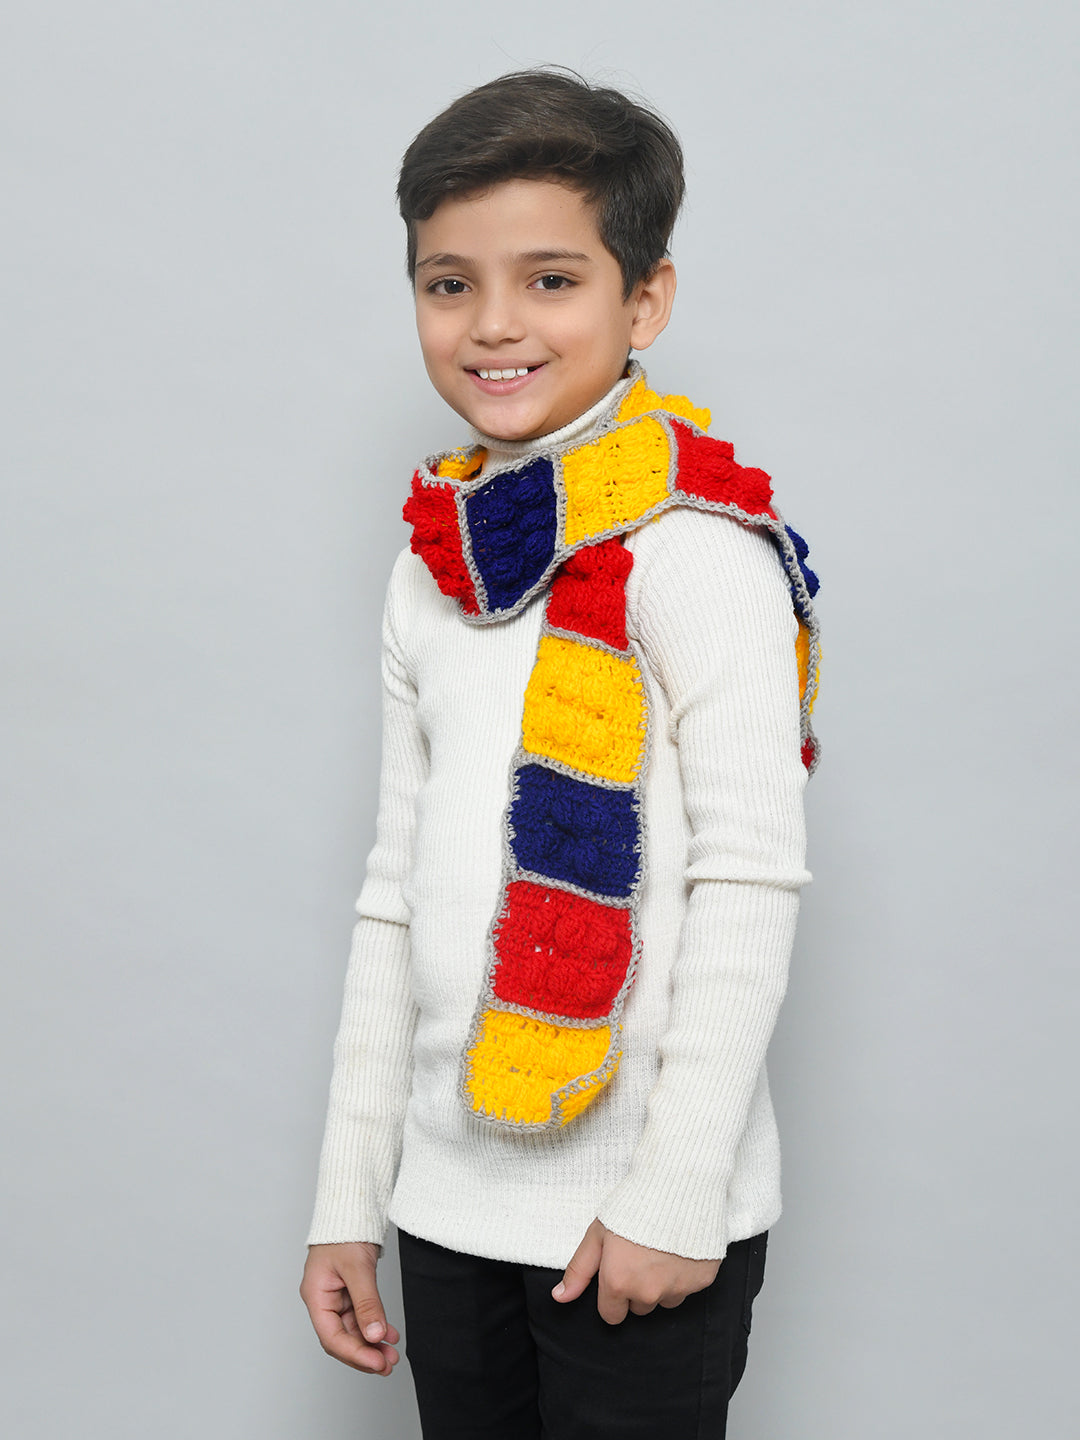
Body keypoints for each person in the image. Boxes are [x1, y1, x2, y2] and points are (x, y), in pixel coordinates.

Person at [300, 68, 820, 1439]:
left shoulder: (698, 553)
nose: (493, 324)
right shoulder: (435, 568)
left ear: (643, 301)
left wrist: (676, 1196)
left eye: (549, 280)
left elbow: (748, 882)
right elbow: (396, 890)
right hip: (446, 1202)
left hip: (639, 1210)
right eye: (449, 284)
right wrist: (351, 1197)